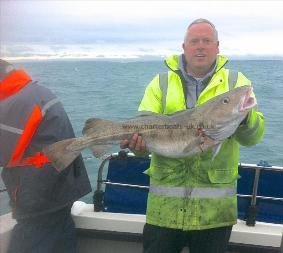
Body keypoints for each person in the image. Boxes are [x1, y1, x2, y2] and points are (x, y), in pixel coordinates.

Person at [121, 18, 265, 253]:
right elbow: (142, 137)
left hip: (214, 214)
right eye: (194, 41)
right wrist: (138, 147)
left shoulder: (237, 83)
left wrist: (247, 117)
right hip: (164, 211)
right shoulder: (161, 83)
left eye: (207, 41)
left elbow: (253, 138)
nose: (200, 46)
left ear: (217, 47)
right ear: (184, 47)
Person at [0, 59, 92, 253]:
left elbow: (4, 152)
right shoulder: (37, 93)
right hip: (59, 191)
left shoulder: (17, 102)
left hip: (40, 198)